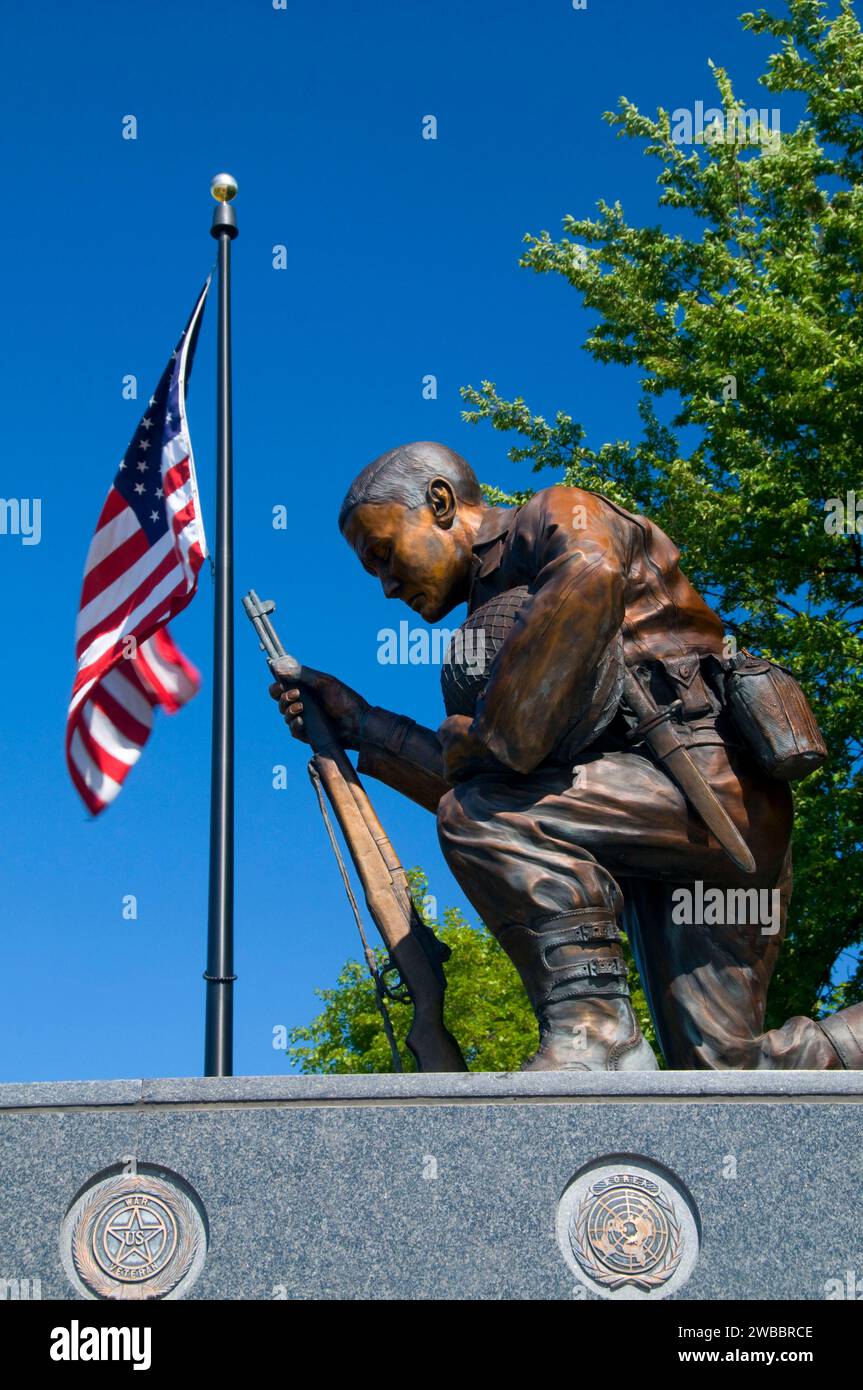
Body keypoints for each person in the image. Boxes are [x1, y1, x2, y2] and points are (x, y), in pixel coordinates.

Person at [270, 441, 863, 1071]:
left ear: (440, 503)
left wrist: (493, 738)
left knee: (482, 813)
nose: (388, 586)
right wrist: (361, 725)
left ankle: (596, 1034)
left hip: (708, 798)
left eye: (385, 555)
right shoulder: (491, 619)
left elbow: (590, 574)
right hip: (658, 829)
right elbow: (489, 788)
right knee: (727, 1071)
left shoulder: (558, 514)